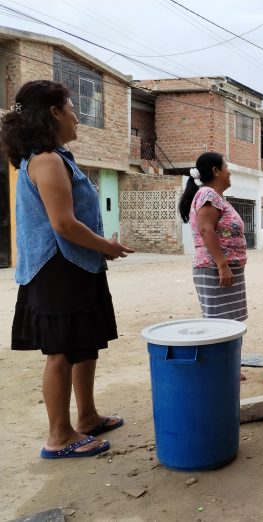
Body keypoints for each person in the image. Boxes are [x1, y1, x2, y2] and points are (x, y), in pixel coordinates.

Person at [2, 80, 134, 459]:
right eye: (73, 108)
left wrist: (98, 249)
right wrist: (106, 245)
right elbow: (63, 223)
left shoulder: (59, 156)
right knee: (60, 351)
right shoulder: (46, 160)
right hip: (55, 270)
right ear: (55, 112)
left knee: (83, 344)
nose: (77, 116)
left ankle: (87, 417)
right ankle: (58, 436)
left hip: (76, 265)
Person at [178, 152, 248, 325]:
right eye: (226, 167)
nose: (229, 172)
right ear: (216, 171)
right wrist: (222, 265)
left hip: (224, 269)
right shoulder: (207, 194)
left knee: (231, 325)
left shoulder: (216, 197)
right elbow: (206, 229)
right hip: (215, 270)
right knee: (219, 326)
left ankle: (231, 353)